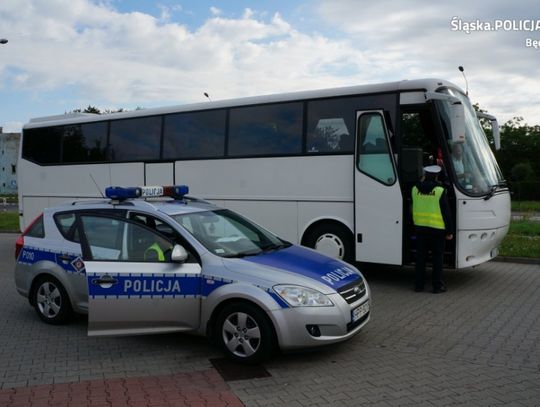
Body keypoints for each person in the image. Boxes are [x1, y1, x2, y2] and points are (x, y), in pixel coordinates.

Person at [412, 165, 454, 293]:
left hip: (420, 229)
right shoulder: (440, 190)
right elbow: (446, 212)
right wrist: (449, 231)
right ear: (436, 176)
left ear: (425, 175)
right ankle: (437, 286)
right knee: (437, 258)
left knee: (420, 258)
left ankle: (419, 286)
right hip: (437, 230)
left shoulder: (414, 189)